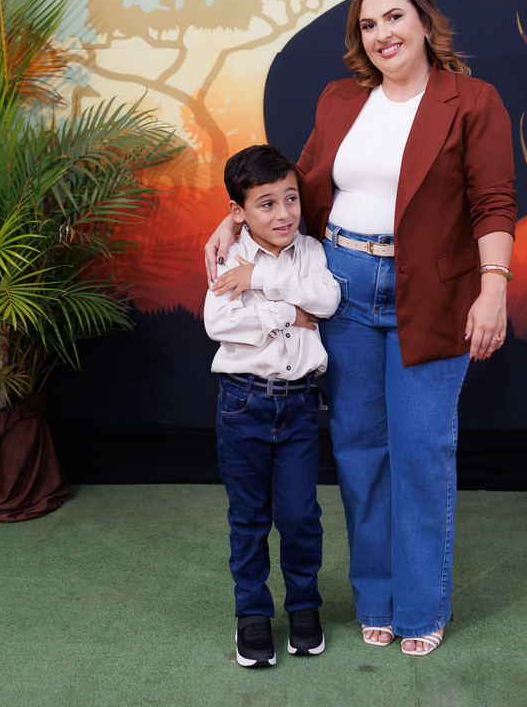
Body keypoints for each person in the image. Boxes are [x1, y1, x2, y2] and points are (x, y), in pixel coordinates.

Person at [207, 0, 516, 657]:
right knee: (359, 452)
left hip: (432, 293)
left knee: (421, 454)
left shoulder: (473, 101)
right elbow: (298, 186)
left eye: (394, 17)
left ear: (424, 22)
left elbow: (494, 202)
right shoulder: (341, 98)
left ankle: (422, 608)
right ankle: (376, 600)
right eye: (368, 25)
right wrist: (235, 221)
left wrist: (493, 289)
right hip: (342, 284)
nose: (382, 34)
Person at [204, 144, 342, 668]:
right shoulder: (229, 255)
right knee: (249, 518)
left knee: (300, 515)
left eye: (291, 198)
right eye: (266, 204)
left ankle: (304, 606)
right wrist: (290, 315)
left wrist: (261, 283)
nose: (283, 213)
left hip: (300, 405)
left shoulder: (310, 252)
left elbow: (326, 301)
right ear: (237, 212)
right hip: (243, 404)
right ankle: (253, 615)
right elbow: (220, 323)